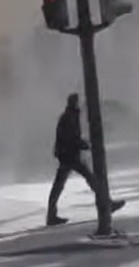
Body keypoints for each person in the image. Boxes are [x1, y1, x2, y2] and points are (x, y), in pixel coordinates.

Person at [47, 93, 125, 226]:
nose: (81, 104)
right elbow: (71, 138)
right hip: (69, 155)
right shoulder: (70, 117)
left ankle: (51, 215)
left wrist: (83, 144)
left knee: (60, 185)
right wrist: (85, 145)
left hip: (67, 155)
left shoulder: (69, 115)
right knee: (90, 179)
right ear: (74, 103)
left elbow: (70, 137)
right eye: (78, 102)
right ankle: (107, 204)